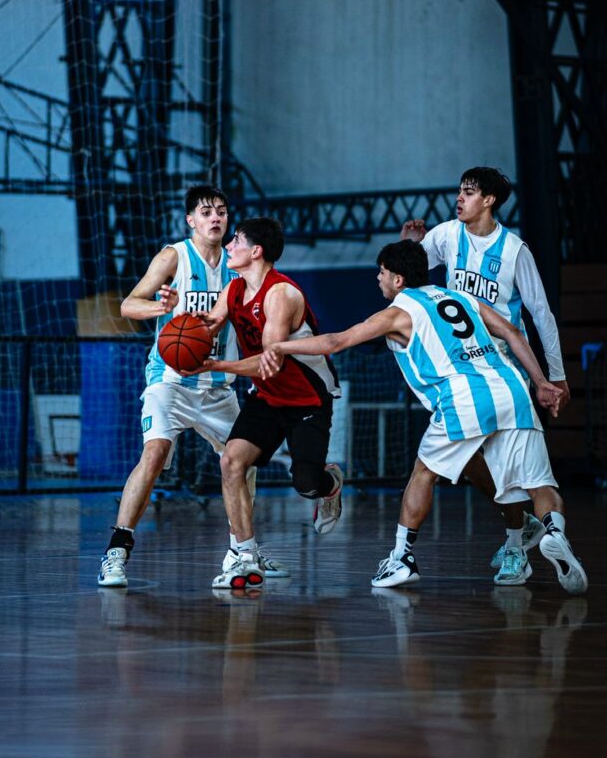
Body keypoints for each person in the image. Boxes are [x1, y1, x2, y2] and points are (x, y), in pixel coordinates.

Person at [261, 240, 587, 595]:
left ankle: (401, 558)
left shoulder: (398, 312)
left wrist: (280, 346)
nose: (378, 279)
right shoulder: (461, 297)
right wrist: (540, 381)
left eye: (382, 272)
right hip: (512, 390)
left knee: (423, 472)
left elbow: (337, 341)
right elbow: (510, 330)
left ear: (398, 279)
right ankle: (554, 531)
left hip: (463, 398)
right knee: (538, 483)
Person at [98, 186, 289, 589]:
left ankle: (243, 550)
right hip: (170, 381)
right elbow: (128, 305)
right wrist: (161, 308)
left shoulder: (240, 263)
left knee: (245, 464)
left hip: (219, 387)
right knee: (154, 455)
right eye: (206, 212)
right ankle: (116, 552)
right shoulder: (174, 256)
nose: (216, 218)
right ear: (191, 220)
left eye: (221, 211)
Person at [400, 166, 570, 582]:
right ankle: (524, 527)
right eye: (459, 190)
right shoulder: (446, 234)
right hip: (462, 365)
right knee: (474, 458)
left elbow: (541, 315)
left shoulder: (514, 250)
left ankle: (517, 546)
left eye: (469, 192)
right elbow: (413, 271)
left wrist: (556, 375)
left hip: (506, 364)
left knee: (508, 462)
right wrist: (410, 244)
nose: (459, 198)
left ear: (489, 200)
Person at [190, 216, 343, 591]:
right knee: (231, 461)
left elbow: (267, 362)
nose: (228, 245)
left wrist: (218, 364)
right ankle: (244, 554)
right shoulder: (233, 289)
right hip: (267, 396)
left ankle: (330, 485)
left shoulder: (282, 295)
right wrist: (179, 318)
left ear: (255, 251)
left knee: (306, 481)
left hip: (307, 395)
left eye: (236, 240)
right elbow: (206, 325)